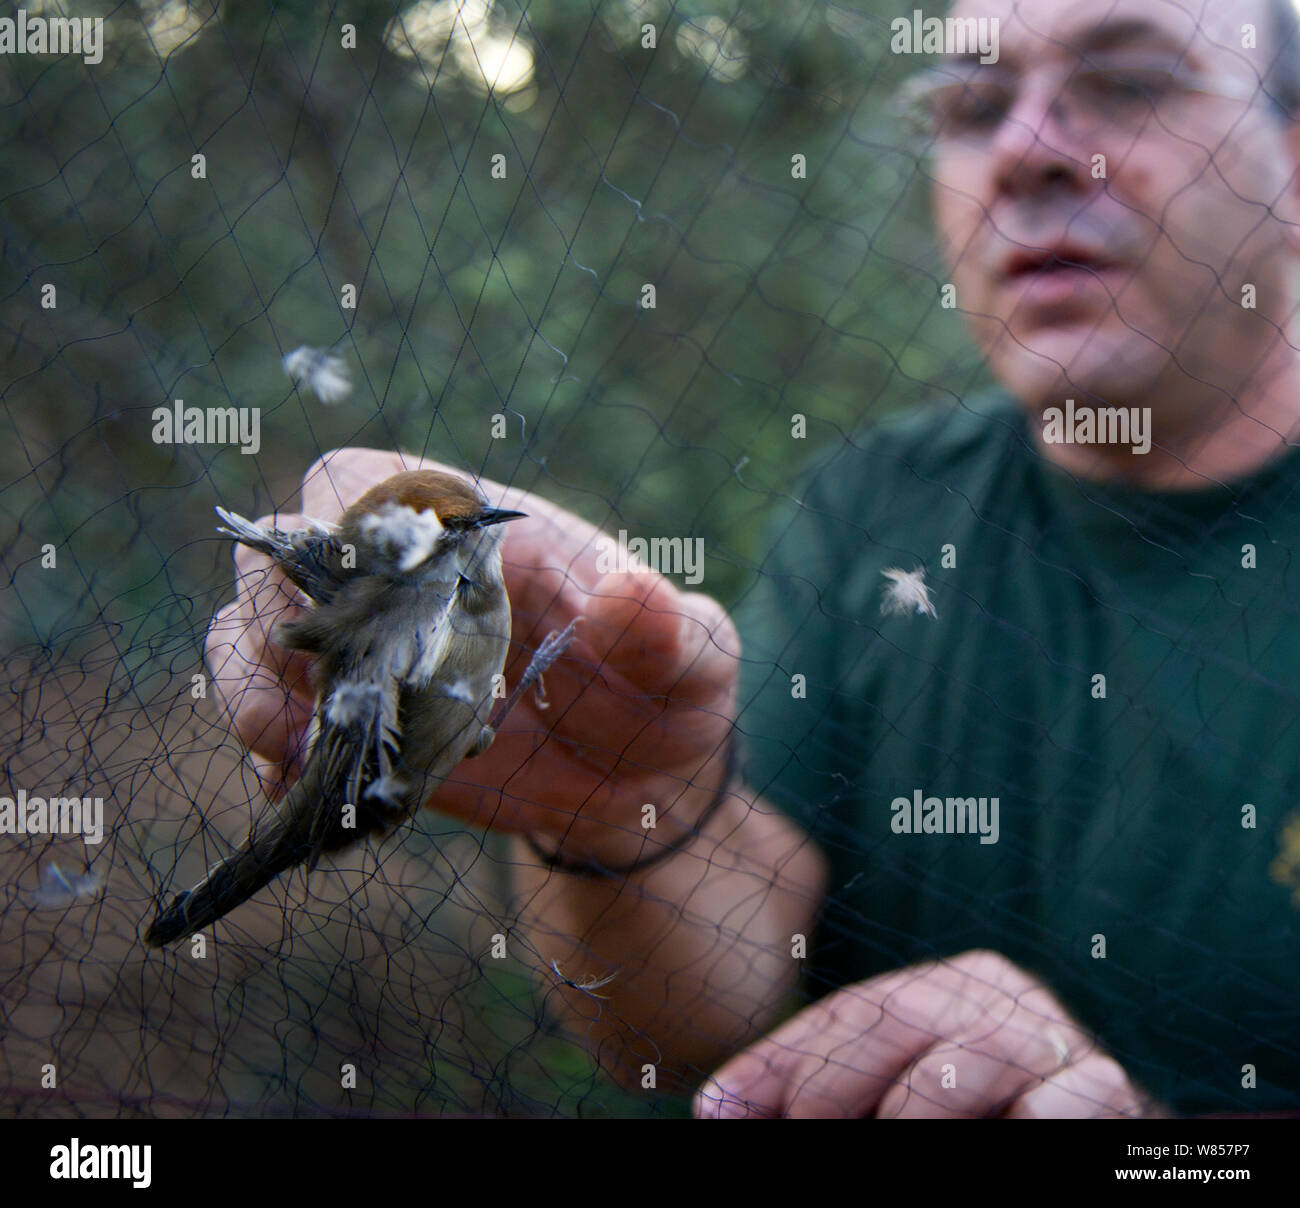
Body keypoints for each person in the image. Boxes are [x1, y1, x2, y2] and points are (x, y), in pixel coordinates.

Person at [206, 0, 1300, 1117]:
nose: (1023, 150)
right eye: (970, 103)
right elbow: (697, 1010)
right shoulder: (875, 505)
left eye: (1127, 83)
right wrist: (624, 815)